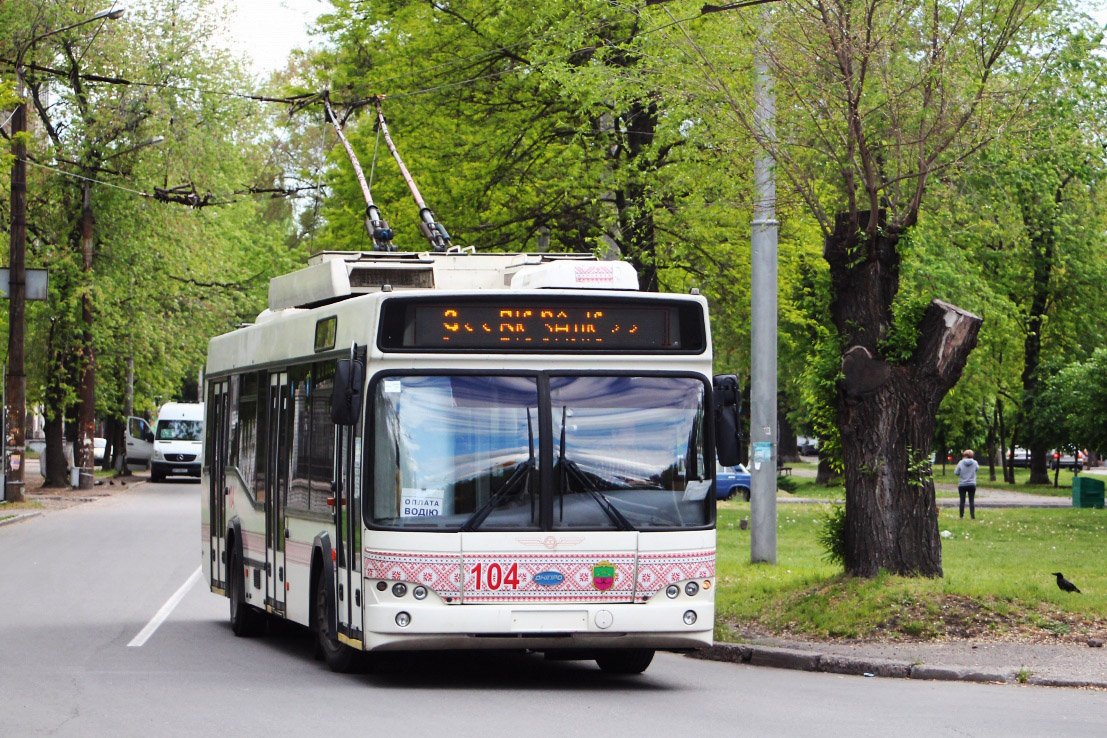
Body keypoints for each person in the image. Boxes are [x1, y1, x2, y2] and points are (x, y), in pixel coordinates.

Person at [954, 449, 979, 519]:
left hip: (962, 484)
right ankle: (972, 516)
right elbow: (977, 469)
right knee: (971, 500)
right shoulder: (975, 463)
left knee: (962, 500)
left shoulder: (960, 462)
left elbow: (956, 472)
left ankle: (961, 515)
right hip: (972, 484)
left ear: (965, 455)